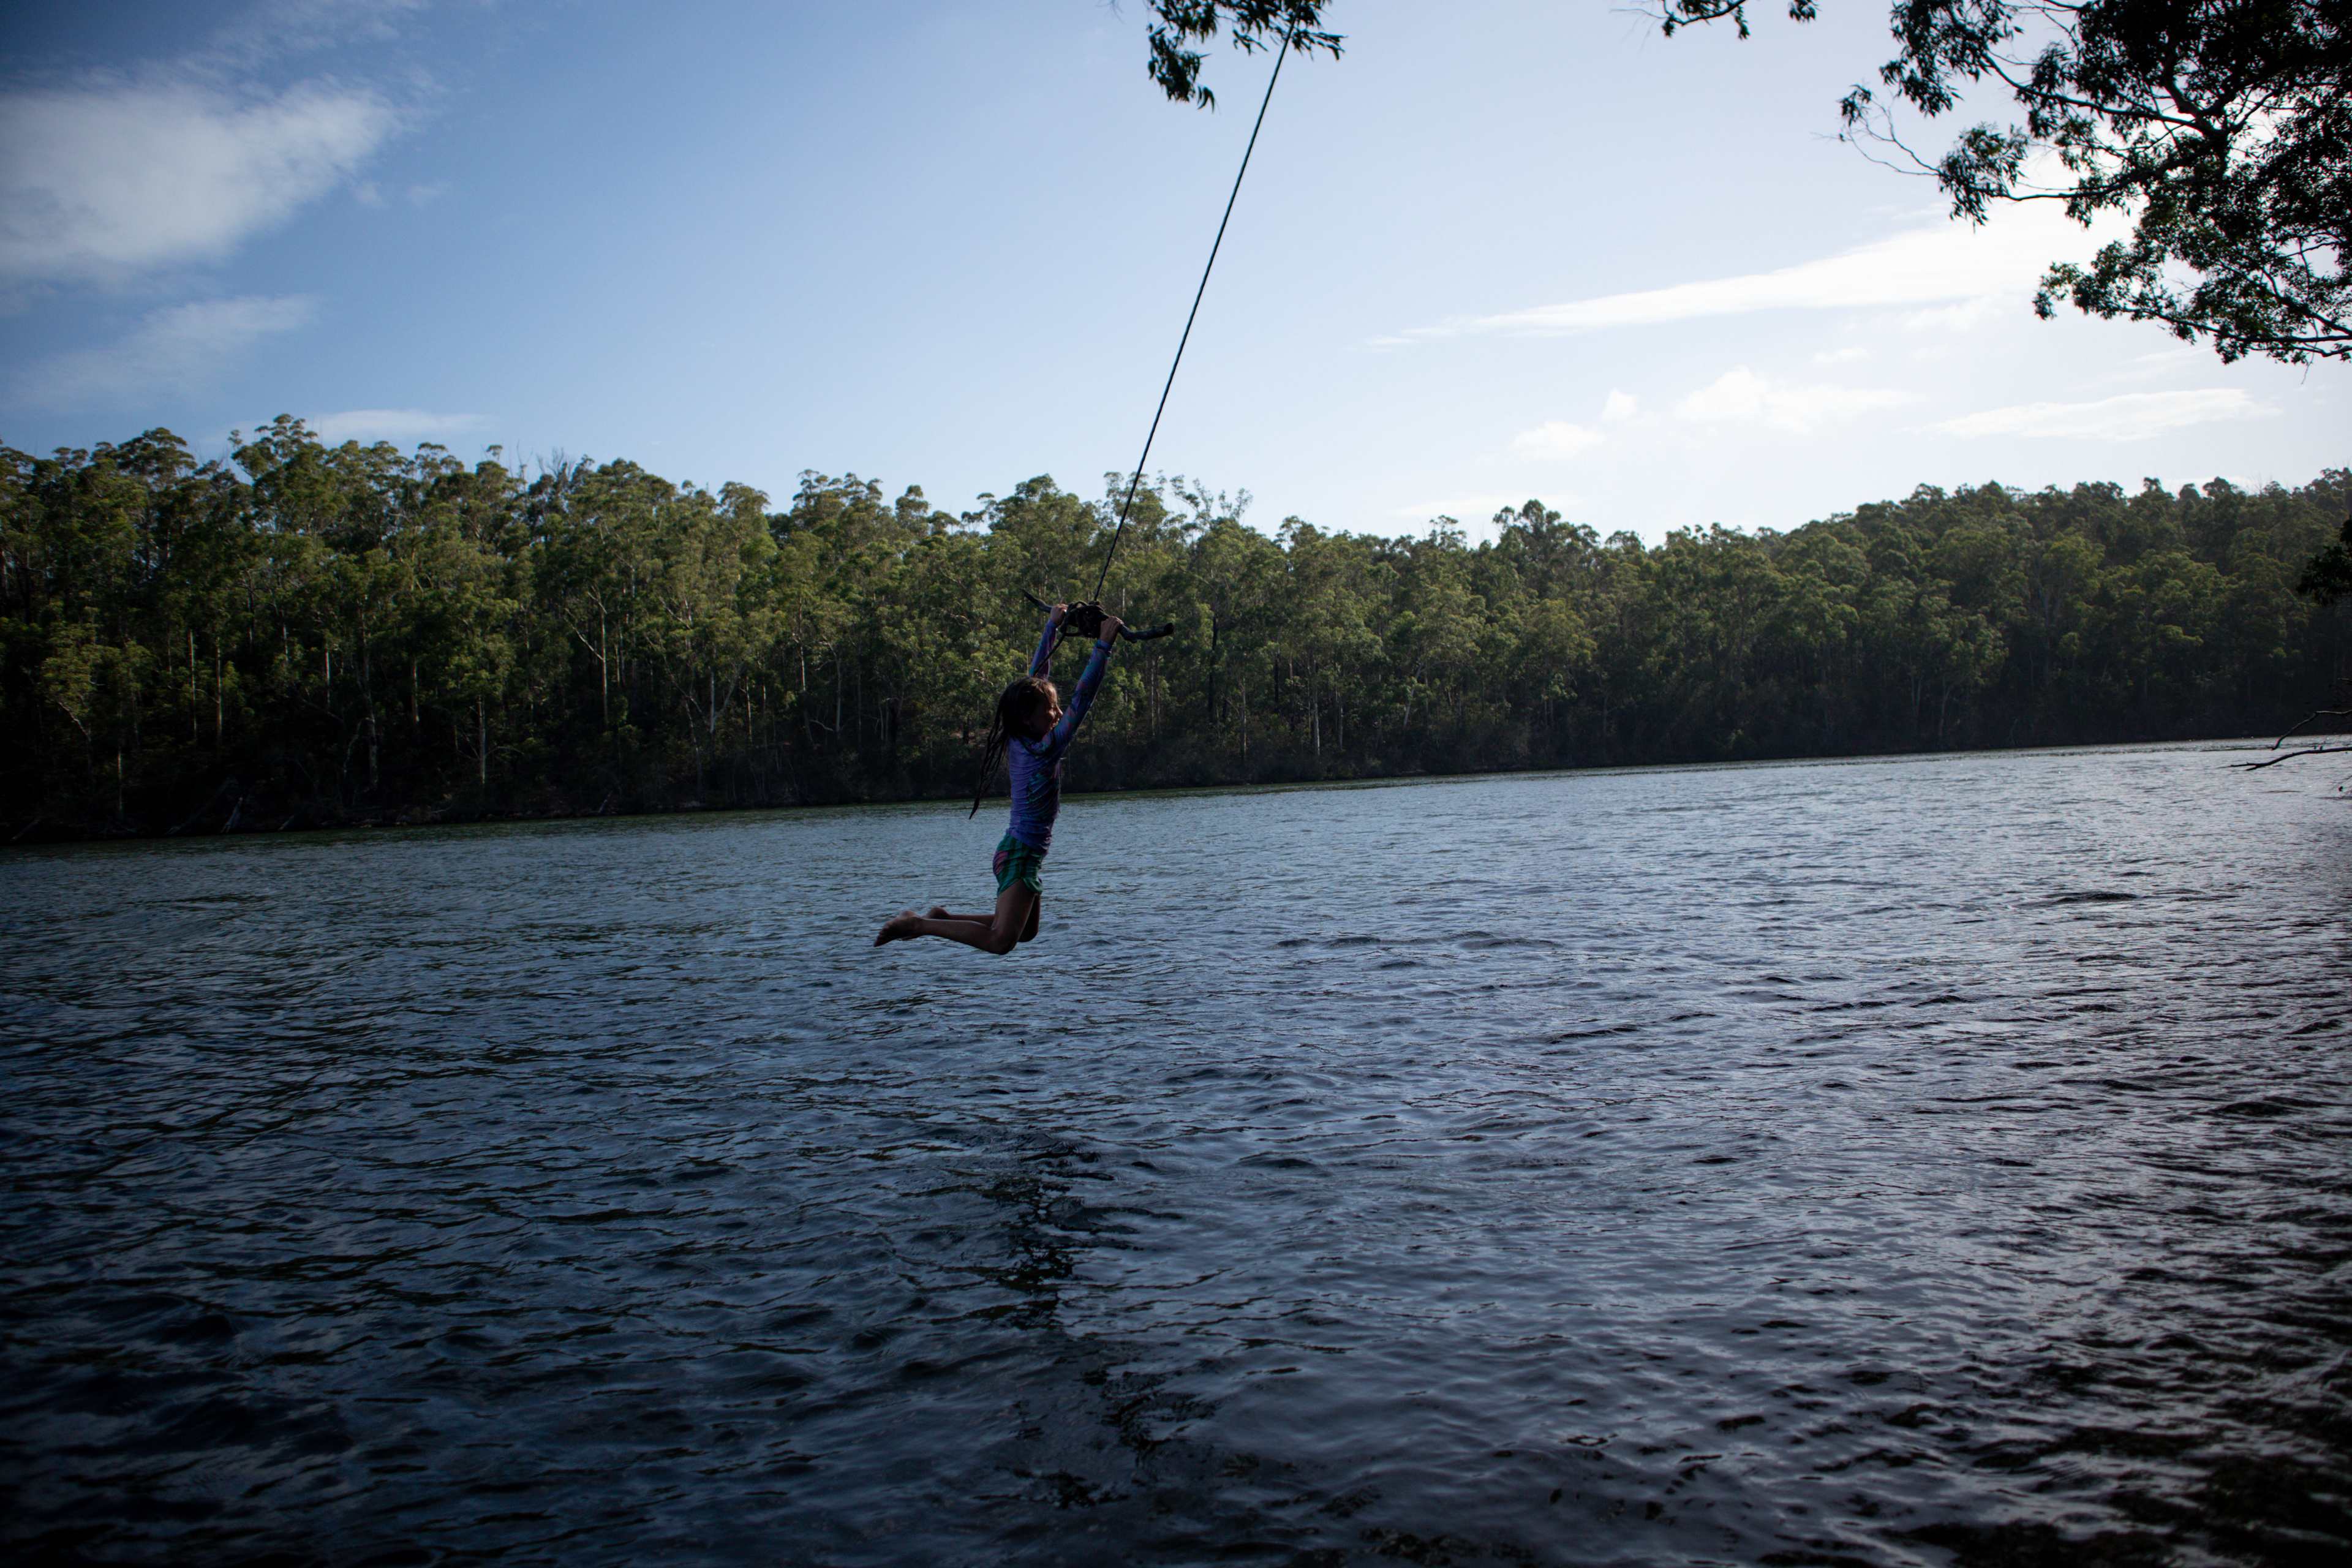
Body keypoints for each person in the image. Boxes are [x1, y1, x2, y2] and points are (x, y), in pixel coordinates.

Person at [875, 601, 1121, 954]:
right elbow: (1081, 702)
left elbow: (1037, 678)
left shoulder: (1023, 738)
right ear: (1026, 719)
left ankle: (942, 916)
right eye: (1050, 709)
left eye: (1056, 707)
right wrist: (1103, 647)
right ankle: (920, 924)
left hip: (1024, 853)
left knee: (1025, 933)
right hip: (1020, 854)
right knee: (1002, 941)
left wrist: (1051, 628)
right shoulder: (1042, 750)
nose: (1057, 713)